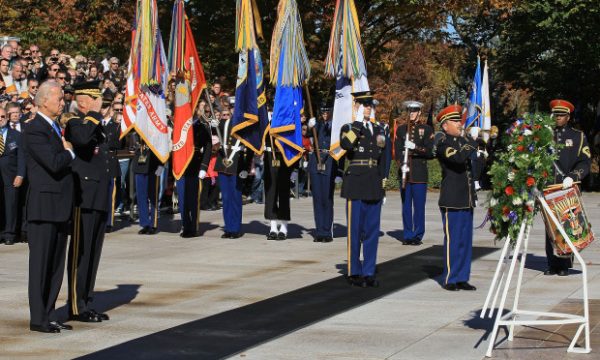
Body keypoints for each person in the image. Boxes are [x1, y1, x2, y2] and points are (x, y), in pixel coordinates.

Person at [23, 80, 75, 333]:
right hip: (44, 206)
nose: (62, 102)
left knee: (55, 265)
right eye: (59, 99)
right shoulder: (34, 130)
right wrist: (70, 153)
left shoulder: (54, 128)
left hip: (59, 206)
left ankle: (49, 313)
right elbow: (54, 163)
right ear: (44, 101)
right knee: (41, 265)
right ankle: (38, 318)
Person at [63, 80, 111, 322]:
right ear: (84, 100)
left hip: (99, 195)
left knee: (93, 252)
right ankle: (74, 304)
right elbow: (81, 140)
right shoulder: (72, 120)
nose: (99, 104)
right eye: (96, 99)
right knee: (80, 253)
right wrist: (93, 113)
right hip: (84, 195)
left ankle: (85, 302)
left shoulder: (95, 123)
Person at [339, 91, 387, 287]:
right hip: (356, 184)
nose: (368, 108)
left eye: (370, 105)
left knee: (372, 231)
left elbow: (384, 159)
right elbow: (346, 145)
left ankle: (368, 271)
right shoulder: (349, 128)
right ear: (356, 107)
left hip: (373, 183)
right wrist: (358, 123)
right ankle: (353, 271)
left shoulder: (379, 129)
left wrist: (383, 183)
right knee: (355, 230)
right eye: (364, 105)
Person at [545, 99, 592, 276]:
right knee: (550, 225)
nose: (558, 118)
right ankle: (552, 263)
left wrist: (574, 176)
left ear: (568, 116)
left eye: (561, 115)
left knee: (568, 223)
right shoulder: (545, 135)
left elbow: (585, 162)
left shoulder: (577, 136)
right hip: (550, 185)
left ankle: (564, 263)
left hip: (567, 186)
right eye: (556, 114)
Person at [435, 104, 478, 291]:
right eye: (454, 121)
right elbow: (458, 159)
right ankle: (451, 278)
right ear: (445, 125)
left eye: (458, 120)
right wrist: (472, 142)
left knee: (465, 241)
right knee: (453, 240)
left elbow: (475, 168)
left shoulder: (463, 142)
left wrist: (481, 148)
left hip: (466, 198)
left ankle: (462, 276)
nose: (459, 124)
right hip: (452, 199)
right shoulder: (444, 143)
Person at [394, 101, 434, 245]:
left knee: (418, 206)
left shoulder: (427, 129)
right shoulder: (401, 129)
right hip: (405, 172)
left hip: (419, 172)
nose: (411, 113)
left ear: (419, 113)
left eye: (414, 111)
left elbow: (430, 152)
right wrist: (401, 164)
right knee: (405, 206)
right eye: (410, 111)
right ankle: (408, 234)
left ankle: (417, 235)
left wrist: (415, 147)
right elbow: (397, 151)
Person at [213, 109, 250, 238]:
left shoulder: (239, 126)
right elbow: (210, 133)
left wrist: (246, 168)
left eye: (227, 115)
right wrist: (211, 125)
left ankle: (235, 228)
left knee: (235, 198)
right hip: (223, 166)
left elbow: (248, 148)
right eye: (223, 115)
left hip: (236, 166)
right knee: (226, 198)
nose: (225, 118)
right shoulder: (218, 126)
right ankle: (228, 227)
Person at [307, 106, 337, 243]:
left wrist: (339, 172)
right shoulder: (316, 126)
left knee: (327, 199)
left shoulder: (335, 127)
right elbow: (307, 135)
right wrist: (309, 126)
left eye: (327, 112)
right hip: (316, 161)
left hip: (329, 161)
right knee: (317, 199)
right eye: (323, 112)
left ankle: (327, 230)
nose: (325, 114)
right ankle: (319, 231)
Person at [0, 106, 25, 245]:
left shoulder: (17, 135)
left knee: (11, 204)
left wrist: (20, 174)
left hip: (11, 175)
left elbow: (22, 157)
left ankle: (9, 234)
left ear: (7, 118)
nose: (0, 119)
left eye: (3, 116)